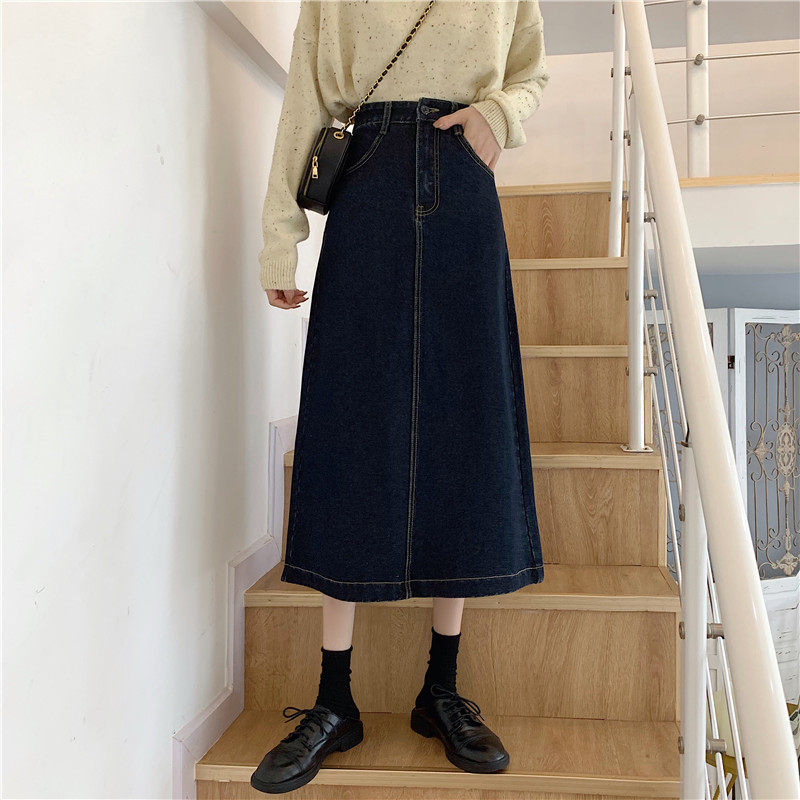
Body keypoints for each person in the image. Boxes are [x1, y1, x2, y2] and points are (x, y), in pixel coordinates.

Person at [252, 0, 549, 793]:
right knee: (349, 424)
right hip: (369, 178)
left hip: (465, 179)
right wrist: (281, 235)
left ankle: (440, 689)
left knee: (465, 423)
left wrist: (497, 116)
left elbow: (530, 71)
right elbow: (308, 93)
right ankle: (333, 699)